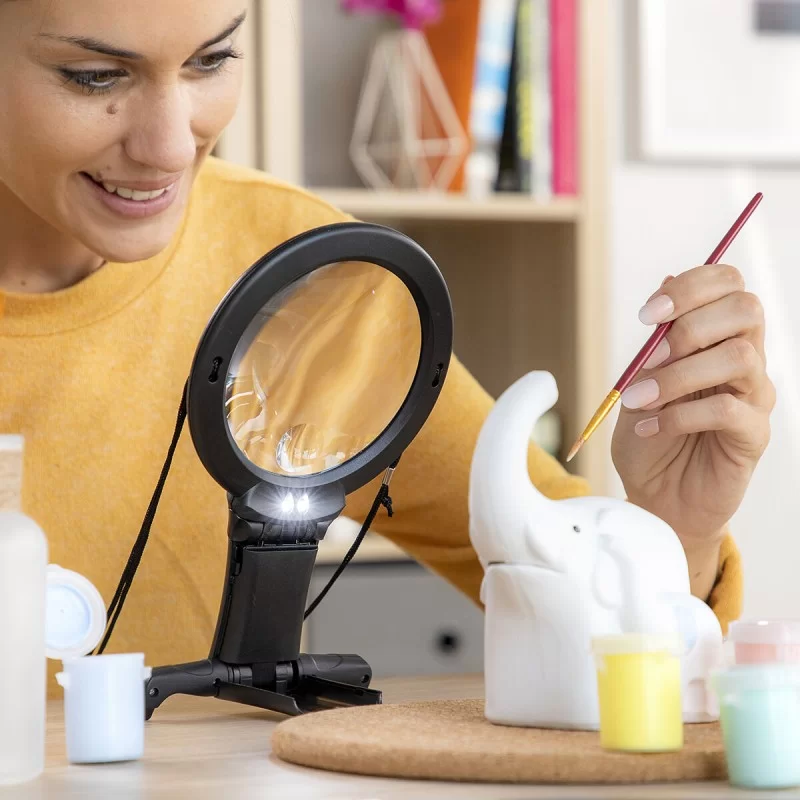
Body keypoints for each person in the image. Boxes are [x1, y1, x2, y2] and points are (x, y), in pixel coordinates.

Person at [0, 0, 773, 695]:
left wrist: (680, 533)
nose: (170, 147)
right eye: (94, 76)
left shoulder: (308, 278)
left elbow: (610, 637)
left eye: (212, 59)